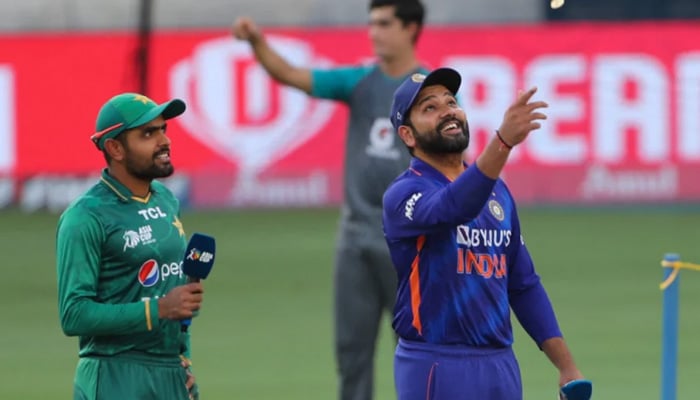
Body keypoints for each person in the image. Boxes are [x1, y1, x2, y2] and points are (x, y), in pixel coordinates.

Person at [232, 1, 427, 399]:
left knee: (421, 353)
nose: (373, 32)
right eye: (370, 23)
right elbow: (289, 74)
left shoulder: (432, 92)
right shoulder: (359, 82)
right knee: (351, 355)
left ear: (410, 28)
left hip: (410, 244)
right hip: (355, 241)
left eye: (384, 23)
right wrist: (256, 41)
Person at [382, 68, 589, 399]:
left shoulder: (497, 193)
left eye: (451, 101)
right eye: (429, 107)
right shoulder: (405, 194)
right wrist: (503, 142)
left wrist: (566, 366)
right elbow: (452, 207)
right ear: (408, 135)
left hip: (499, 364)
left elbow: (523, 284)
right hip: (436, 363)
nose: (448, 110)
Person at [56, 93, 203, 400]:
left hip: (170, 375)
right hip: (114, 376)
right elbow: (74, 314)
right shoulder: (85, 217)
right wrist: (159, 309)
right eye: (148, 133)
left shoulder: (166, 200)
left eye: (163, 129)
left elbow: (177, 297)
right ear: (115, 148)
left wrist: (182, 360)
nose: (164, 141)